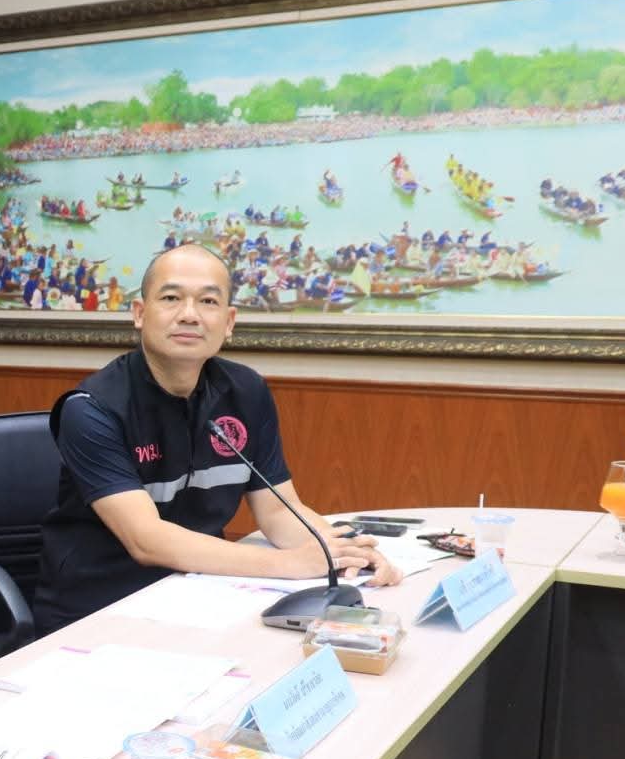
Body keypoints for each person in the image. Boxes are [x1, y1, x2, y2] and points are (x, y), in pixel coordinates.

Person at [32, 243, 398, 635]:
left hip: (202, 593)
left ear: (229, 321)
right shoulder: (92, 408)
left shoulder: (246, 391)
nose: (189, 315)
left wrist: (343, 551)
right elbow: (147, 540)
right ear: (139, 314)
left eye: (208, 301)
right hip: (98, 610)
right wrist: (291, 565)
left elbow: (278, 511)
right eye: (171, 298)